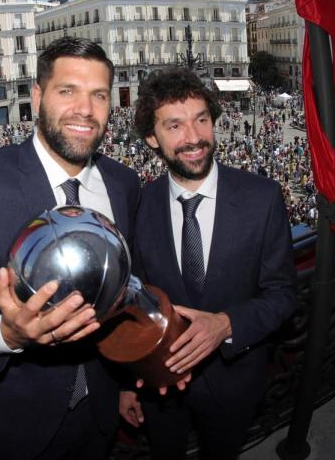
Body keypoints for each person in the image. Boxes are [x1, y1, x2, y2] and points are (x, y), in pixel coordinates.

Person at [0, 37, 140, 460]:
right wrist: (7, 334)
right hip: (11, 424)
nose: (85, 110)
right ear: (38, 95)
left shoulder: (124, 184)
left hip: (100, 413)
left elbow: (123, 290)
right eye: (67, 90)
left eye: (99, 95)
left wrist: (127, 381)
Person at [118, 68, 297, 459]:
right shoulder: (139, 207)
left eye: (201, 119)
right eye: (175, 125)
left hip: (234, 383)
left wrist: (227, 324)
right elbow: (134, 303)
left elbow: (283, 295)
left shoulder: (262, 198)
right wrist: (130, 381)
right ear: (152, 137)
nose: (194, 137)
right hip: (159, 385)